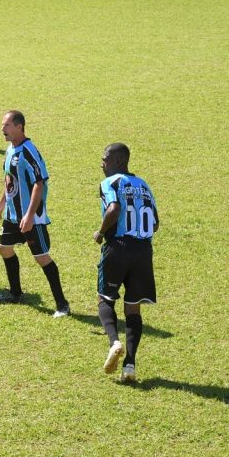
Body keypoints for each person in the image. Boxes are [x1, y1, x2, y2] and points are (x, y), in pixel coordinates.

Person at [0, 111, 69, 318]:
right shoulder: (10, 150)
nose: (3, 129)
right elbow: (9, 180)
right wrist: (0, 205)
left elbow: (39, 183)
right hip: (13, 215)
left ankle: (62, 304)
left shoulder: (29, 152)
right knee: (4, 249)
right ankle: (16, 293)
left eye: (7, 125)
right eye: (2, 125)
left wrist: (30, 215)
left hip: (31, 218)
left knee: (42, 258)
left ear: (19, 127)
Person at [93, 143, 159, 382]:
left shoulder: (111, 183)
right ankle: (130, 365)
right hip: (143, 250)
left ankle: (114, 343)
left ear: (119, 161)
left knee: (105, 298)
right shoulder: (144, 185)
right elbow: (155, 223)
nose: (102, 163)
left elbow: (113, 208)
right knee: (133, 307)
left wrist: (101, 233)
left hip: (118, 247)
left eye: (105, 159)